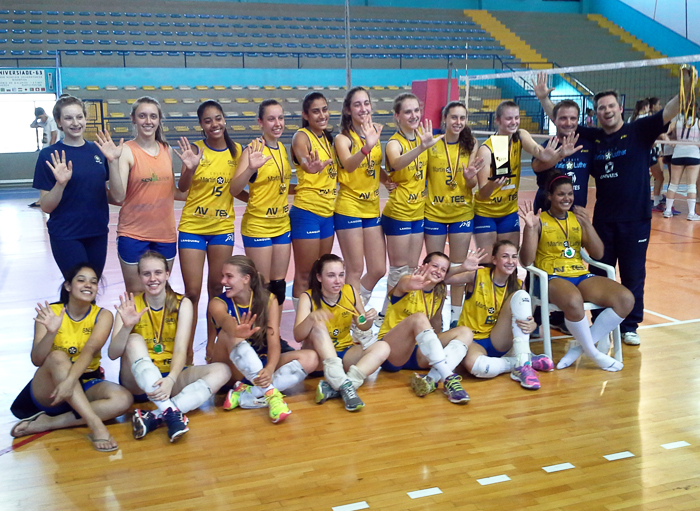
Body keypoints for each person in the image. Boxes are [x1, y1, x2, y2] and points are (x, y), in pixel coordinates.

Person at [535, 70, 688, 346]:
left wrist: (686, 88)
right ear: (597, 113)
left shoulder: (639, 130)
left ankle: (630, 326)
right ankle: (599, 326)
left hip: (635, 219)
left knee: (633, 273)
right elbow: (564, 122)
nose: (606, 111)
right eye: (601, 108)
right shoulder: (594, 138)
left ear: (620, 109)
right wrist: (545, 99)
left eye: (610, 106)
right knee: (600, 272)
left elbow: (668, 111)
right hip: (603, 220)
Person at [9, 264, 132, 452]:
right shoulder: (50, 312)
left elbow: (89, 350)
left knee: (123, 399)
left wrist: (70, 382)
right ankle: (95, 425)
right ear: (68, 286)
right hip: (49, 386)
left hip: (85, 378)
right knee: (57, 357)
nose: (88, 285)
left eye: (93, 282)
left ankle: (50, 423)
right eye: (81, 280)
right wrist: (51, 333)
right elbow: (37, 360)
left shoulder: (103, 315)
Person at [110, 251, 231, 442]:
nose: (152, 278)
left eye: (158, 273)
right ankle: (171, 413)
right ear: (140, 276)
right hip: (138, 383)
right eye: (146, 273)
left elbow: (181, 349)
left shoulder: (182, 303)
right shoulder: (130, 306)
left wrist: (171, 380)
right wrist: (126, 328)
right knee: (133, 340)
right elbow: (113, 354)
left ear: (167, 274)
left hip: (170, 379)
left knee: (223, 371)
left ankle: (158, 416)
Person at [519, 175, 634, 371]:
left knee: (625, 299)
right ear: (550, 196)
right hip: (551, 277)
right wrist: (530, 229)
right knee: (574, 301)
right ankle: (593, 352)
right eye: (561, 194)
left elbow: (598, 253)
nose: (567, 198)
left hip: (578, 273)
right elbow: (526, 261)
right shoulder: (540, 220)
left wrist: (588, 225)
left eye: (570, 194)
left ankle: (580, 348)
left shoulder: (577, 219)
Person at [175, 100, 247, 358]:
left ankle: (212, 344)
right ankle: (186, 349)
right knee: (192, 292)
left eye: (218, 118)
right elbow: (183, 187)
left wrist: (256, 201)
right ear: (201, 125)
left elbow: (236, 188)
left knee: (217, 289)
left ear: (224, 119)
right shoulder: (196, 150)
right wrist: (191, 167)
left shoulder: (236, 151)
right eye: (208, 120)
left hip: (222, 228)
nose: (214, 124)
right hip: (193, 227)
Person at [208, 256, 314, 423]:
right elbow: (225, 321)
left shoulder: (268, 299)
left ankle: (247, 394)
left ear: (246, 279)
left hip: (259, 363)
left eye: (229, 276)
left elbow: (274, 340)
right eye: (223, 276)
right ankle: (271, 394)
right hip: (230, 367)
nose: (223, 281)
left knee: (310, 358)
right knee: (230, 335)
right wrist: (236, 329)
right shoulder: (217, 303)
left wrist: (270, 369)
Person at [33, 96, 121, 278]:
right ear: (58, 122)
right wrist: (60, 184)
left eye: (79, 117)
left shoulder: (99, 151)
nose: (75, 123)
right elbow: (46, 206)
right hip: (66, 235)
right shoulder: (49, 155)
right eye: (68, 118)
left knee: (91, 290)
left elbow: (117, 198)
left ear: (85, 118)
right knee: (77, 287)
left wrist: (113, 162)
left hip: (97, 232)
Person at [103, 96, 184, 294]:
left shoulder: (167, 150)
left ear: (159, 120)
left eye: (153, 116)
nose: (148, 121)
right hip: (133, 234)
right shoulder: (126, 151)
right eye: (142, 116)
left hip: (165, 234)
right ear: (133, 119)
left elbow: (171, 191)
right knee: (136, 292)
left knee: (160, 291)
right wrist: (112, 162)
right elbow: (119, 195)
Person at [448, 242, 553, 389]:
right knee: (478, 366)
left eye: (514, 257)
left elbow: (526, 318)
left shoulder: (517, 284)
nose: (510, 261)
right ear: (494, 260)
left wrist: (532, 324)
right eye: (505, 256)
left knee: (522, 295)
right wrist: (462, 267)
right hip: (473, 339)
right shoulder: (477, 275)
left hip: (499, 338)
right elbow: (444, 280)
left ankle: (523, 365)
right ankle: (522, 361)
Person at [294, 254, 390, 412]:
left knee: (383, 346)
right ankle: (342, 383)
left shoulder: (349, 291)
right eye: (331, 276)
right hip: (319, 359)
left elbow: (363, 325)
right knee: (318, 324)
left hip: (344, 353)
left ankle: (345, 385)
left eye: (341, 274)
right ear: (319, 277)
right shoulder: (308, 297)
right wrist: (311, 318)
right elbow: (298, 336)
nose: (338, 280)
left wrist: (369, 318)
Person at [379, 93, 443, 324]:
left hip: (419, 211)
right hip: (399, 213)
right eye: (408, 111)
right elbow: (396, 162)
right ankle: (386, 314)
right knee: (398, 269)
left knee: (413, 267)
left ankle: (404, 309)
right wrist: (421, 147)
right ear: (397, 116)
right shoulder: (395, 142)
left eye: (417, 110)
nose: (414, 115)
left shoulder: (422, 138)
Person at [377, 252, 473, 404]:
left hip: (418, 353)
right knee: (419, 318)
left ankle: (432, 378)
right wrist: (410, 283)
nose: (438, 271)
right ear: (424, 266)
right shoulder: (406, 283)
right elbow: (405, 283)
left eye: (443, 269)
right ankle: (449, 377)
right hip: (393, 353)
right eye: (435, 266)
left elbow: (435, 326)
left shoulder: (438, 294)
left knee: (465, 332)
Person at [473, 100, 561, 252]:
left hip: (508, 212)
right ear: (497, 120)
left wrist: (547, 154)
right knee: (488, 262)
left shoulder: (520, 136)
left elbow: (537, 150)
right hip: (486, 213)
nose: (514, 122)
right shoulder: (487, 150)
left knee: (510, 258)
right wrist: (493, 185)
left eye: (516, 117)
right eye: (509, 118)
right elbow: (482, 194)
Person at [424, 101, 482, 329]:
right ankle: (435, 313)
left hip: (462, 212)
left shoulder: (471, 144)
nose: (458, 122)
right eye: (454, 117)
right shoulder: (433, 143)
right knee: (436, 268)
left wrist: (469, 176)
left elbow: (473, 183)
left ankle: (456, 316)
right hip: (435, 213)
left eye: (462, 118)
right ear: (444, 120)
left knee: (460, 265)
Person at [230, 99, 292, 308]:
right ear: (260, 122)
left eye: (281, 118)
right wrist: (249, 169)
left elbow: (278, 186)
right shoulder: (253, 150)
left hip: (282, 224)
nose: (277, 123)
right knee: (262, 287)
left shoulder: (282, 148)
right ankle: (261, 336)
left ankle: (274, 334)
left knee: (278, 287)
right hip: (259, 225)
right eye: (271, 119)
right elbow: (234, 189)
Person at [333, 87, 386, 307]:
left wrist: (386, 179)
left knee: (378, 269)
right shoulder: (342, 138)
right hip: (349, 207)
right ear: (348, 110)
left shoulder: (373, 132)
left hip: (371, 206)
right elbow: (350, 165)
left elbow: (373, 165)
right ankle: (357, 321)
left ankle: (354, 308)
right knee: (355, 269)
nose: (363, 108)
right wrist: (366, 146)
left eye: (366, 103)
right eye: (357, 104)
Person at [290, 92, 337, 309]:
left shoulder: (328, 139)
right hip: (307, 212)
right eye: (316, 111)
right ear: (305, 115)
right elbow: (302, 156)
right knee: (305, 274)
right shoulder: (302, 136)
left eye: (324, 109)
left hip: (327, 213)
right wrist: (307, 164)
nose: (321, 115)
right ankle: (302, 323)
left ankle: (317, 318)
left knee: (320, 271)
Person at [663, 108, 700, 221]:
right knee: (691, 185)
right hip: (693, 154)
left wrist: (670, 143)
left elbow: (663, 133)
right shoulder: (698, 121)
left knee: (673, 184)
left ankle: (668, 211)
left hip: (678, 154)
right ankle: (691, 213)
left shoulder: (677, 121)